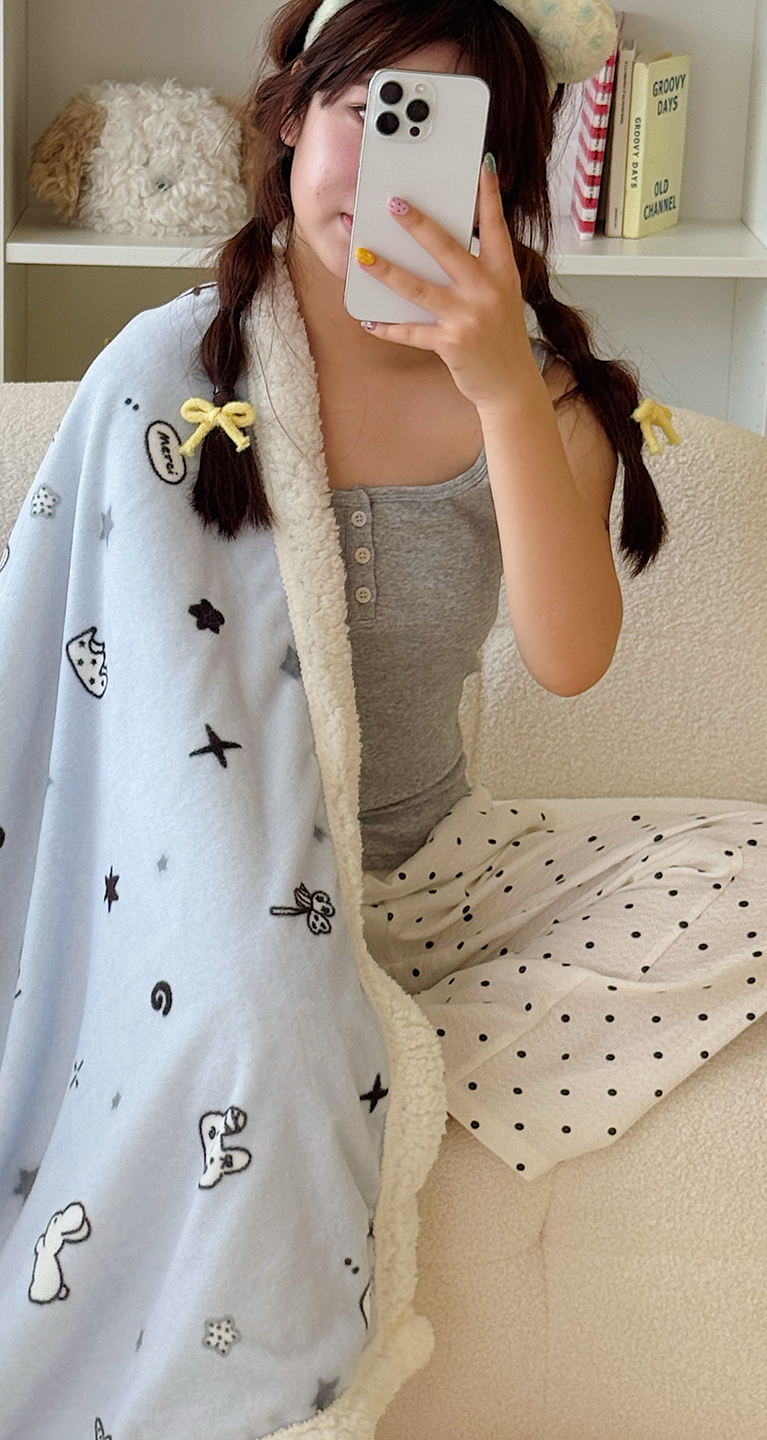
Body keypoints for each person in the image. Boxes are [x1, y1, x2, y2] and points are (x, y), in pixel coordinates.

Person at [185, 0, 767, 1182]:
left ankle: (369, 1047)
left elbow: (569, 659)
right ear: (292, 116)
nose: (389, 169)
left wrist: (501, 386)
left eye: (443, 133)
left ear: (496, 177)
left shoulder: (546, 400)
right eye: (367, 112)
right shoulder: (182, 372)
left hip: (433, 882)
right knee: (246, 988)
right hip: (219, 875)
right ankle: (314, 1032)